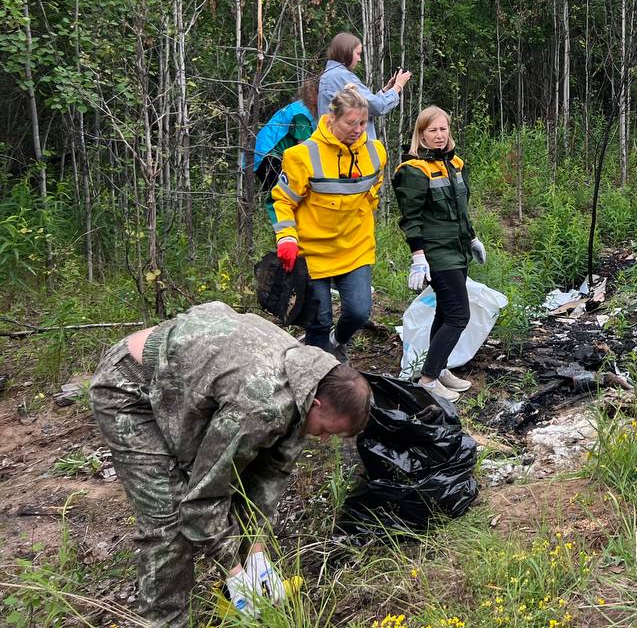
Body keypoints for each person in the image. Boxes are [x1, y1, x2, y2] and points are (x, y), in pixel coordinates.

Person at [89, 301, 371, 627]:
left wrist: (258, 555)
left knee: (226, 488)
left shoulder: (307, 380)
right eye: (325, 430)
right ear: (319, 404)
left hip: (182, 381)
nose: (322, 439)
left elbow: (268, 477)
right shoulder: (262, 402)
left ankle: (236, 589)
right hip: (130, 388)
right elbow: (204, 496)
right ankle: (164, 620)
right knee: (167, 524)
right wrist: (235, 572)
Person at [271, 85, 387, 362]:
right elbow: (283, 201)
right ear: (331, 119)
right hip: (313, 252)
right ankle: (322, 372)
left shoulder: (376, 152)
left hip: (354, 247)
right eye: (351, 122)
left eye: (363, 122)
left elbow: (373, 192)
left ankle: (337, 343)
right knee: (319, 319)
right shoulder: (302, 156)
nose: (358, 129)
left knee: (359, 311)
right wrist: (286, 238)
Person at [392, 105, 487, 402]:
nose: (439, 135)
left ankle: (439, 366)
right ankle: (429, 379)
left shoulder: (455, 163)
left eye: (443, 129)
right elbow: (411, 217)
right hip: (436, 253)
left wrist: (472, 238)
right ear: (420, 134)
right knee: (459, 315)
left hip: (457, 249)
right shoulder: (413, 171)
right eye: (432, 130)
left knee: (446, 311)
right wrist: (418, 256)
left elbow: (460, 209)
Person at [317, 31, 410, 143]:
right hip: (351, 148)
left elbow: (362, 106)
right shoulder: (340, 76)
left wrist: (387, 90)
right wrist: (398, 87)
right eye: (358, 54)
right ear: (346, 52)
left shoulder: (330, 75)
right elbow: (377, 106)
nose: (359, 59)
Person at [252, 78, 319, 219]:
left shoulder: (301, 107)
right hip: (269, 156)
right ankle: (284, 235)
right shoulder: (302, 114)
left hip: (267, 155)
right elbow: (304, 148)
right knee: (284, 199)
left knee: (287, 199)